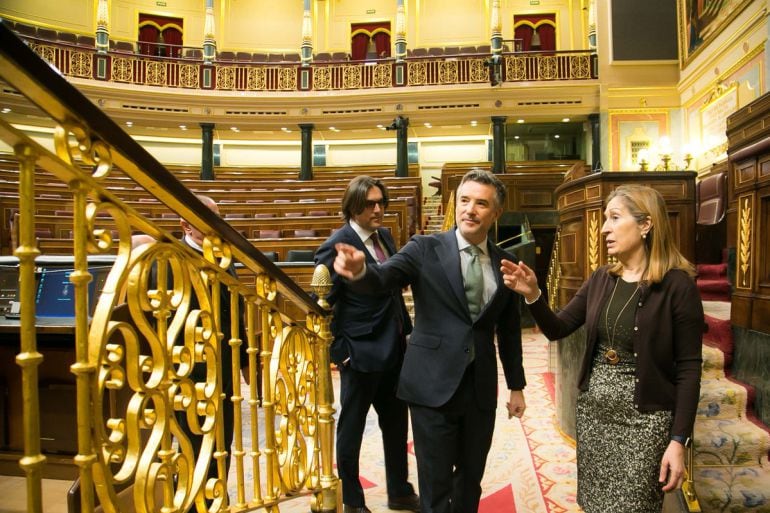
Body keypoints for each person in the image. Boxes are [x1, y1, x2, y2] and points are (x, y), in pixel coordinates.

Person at [500, 184, 703, 513]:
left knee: (633, 506)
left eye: (614, 218)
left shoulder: (677, 286)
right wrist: (533, 295)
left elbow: (690, 369)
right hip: (595, 418)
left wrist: (678, 440)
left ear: (645, 224)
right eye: (605, 219)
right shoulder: (601, 278)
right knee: (596, 505)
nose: (604, 228)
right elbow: (558, 328)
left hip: (645, 423)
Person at [333, 169, 526, 513]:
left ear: (495, 213)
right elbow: (384, 277)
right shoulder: (424, 248)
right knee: (434, 482)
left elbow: (509, 330)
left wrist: (516, 386)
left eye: (481, 203)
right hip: (430, 386)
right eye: (464, 200)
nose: (470, 210)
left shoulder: (506, 262)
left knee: (470, 479)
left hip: (479, 387)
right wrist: (361, 272)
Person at [314, 176, 419, 513]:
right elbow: (323, 306)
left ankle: (399, 491)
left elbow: (389, 283)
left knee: (396, 424)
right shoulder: (336, 244)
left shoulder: (384, 236)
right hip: (359, 354)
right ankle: (352, 500)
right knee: (352, 430)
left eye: (381, 203)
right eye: (371, 204)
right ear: (353, 206)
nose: (378, 209)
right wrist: (340, 353)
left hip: (394, 349)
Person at [175, 195, 250, 499]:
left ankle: (217, 495)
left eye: (217, 220)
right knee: (193, 440)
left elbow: (236, 314)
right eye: (205, 221)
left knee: (223, 439)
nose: (213, 227)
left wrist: (245, 364)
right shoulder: (173, 258)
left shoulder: (224, 257)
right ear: (184, 224)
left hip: (225, 366)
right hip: (189, 369)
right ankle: (194, 501)